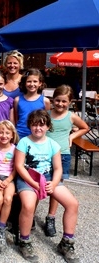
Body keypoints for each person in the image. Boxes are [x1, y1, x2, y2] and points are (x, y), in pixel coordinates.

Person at [15, 109, 79, 263]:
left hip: (49, 178)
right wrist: (34, 184)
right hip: (28, 178)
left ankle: (66, 243)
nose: (38, 128)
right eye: (35, 125)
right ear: (30, 125)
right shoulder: (24, 142)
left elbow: (58, 169)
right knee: (29, 205)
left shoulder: (53, 144)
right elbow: (19, 166)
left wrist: (55, 183)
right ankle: (24, 241)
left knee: (72, 204)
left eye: (42, 125)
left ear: (48, 127)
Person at [44, 85, 88, 238]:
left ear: (69, 102)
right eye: (57, 101)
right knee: (41, 185)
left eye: (64, 102)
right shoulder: (47, 114)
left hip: (62, 155)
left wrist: (71, 137)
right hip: (44, 155)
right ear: (53, 100)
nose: (60, 104)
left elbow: (84, 127)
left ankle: (51, 217)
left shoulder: (71, 116)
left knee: (56, 188)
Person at [0, 120, 18, 250]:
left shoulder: (14, 149)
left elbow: (16, 168)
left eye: (7, 133)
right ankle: (1, 221)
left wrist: (7, 180)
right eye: (1, 132)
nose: (4, 135)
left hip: (9, 178)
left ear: (12, 135)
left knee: (8, 199)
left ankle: (0, 227)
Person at [14, 68, 51, 139]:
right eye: (29, 81)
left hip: (37, 135)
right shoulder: (17, 100)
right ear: (24, 83)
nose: (32, 84)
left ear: (40, 83)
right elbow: (16, 119)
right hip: (20, 135)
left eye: (35, 81)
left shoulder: (45, 101)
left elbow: (47, 121)